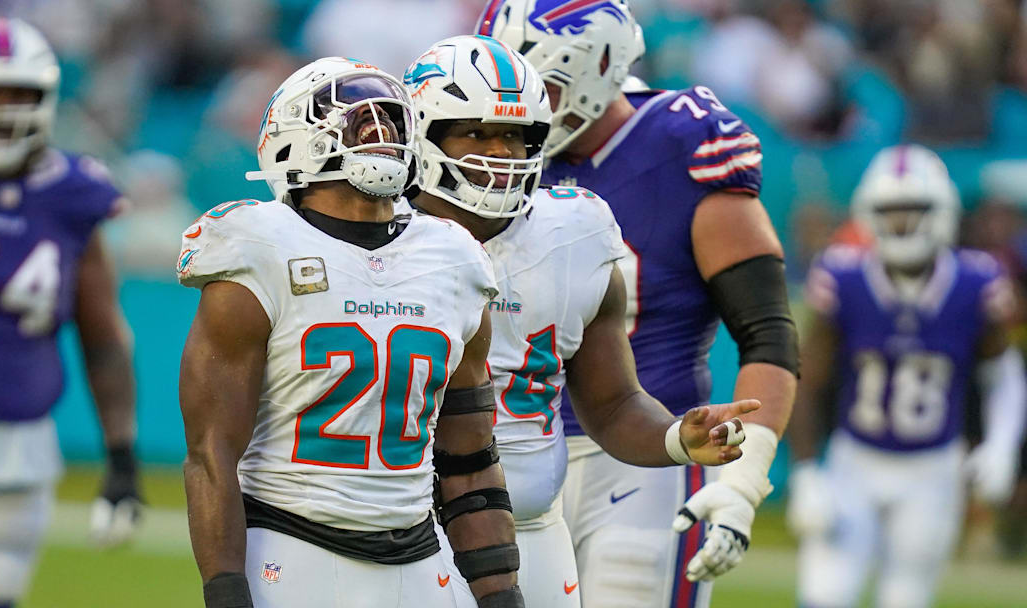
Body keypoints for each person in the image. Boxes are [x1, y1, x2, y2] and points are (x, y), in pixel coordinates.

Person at [404, 34, 758, 607]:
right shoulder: (376, 241)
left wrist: (677, 438)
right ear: (424, 134)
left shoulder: (574, 234)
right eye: (476, 132)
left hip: (533, 529)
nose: (500, 152)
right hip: (407, 536)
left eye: (515, 135)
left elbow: (613, 404)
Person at [479, 1, 800, 606]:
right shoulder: (483, 154)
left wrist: (744, 479)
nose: (521, 110)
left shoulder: (682, 145)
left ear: (598, 66)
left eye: (541, 86)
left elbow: (768, 332)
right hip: (508, 452)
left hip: (648, 459)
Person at [177, 57, 524, 608]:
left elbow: (470, 460)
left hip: (418, 558)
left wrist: (501, 592)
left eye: (391, 121)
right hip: (292, 548)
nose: (381, 136)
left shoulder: (454, 256)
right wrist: (225, 590)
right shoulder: (258, 247)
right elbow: (211, 452)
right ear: (296, 136)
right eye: (362, 122)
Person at [0, 17, 142, 608]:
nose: (3, 109)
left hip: (18, 444)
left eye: (19, 93)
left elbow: (102, 336)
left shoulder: (73, 194)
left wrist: (122, 456)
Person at [788, 144, 1027, 608]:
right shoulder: (844, 277)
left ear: (941, 213)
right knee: (825, 593)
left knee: (905, 598)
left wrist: (1001, 445)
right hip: (855, 461)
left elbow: (1004, 373)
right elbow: (806, 379)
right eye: (890, 213)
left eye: (913, 212)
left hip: (933, 469)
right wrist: (806, 473)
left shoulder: (977, 282)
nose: (901, 224)